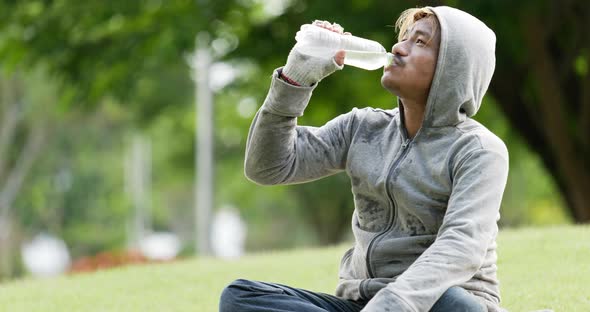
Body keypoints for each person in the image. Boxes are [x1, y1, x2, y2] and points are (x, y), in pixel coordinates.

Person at [220, 5, 508, 312]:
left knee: (453, 303)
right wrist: (295, 80)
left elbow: (461, 248)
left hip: (439, 303)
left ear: (454, 66)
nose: (399, 47)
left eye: (419, 42)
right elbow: (267, 166)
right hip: (363, 302)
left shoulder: (478, 150)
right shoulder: (361, 128)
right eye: (404, 37)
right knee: (241, 296)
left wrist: (391, 303)